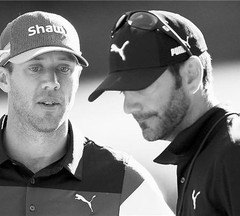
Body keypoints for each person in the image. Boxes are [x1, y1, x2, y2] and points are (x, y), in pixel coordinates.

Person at [0, 11, 174, 216]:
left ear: (78, 77)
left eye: (64, 69)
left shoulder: (123, 181)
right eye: (35, 68)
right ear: (3, 79)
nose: (52, 83)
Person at [89, 10, 240, 216]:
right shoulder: (200, 153)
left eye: (141, 87)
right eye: (124, 91)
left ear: (191, 75)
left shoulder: (232, 153)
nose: (129, 107)